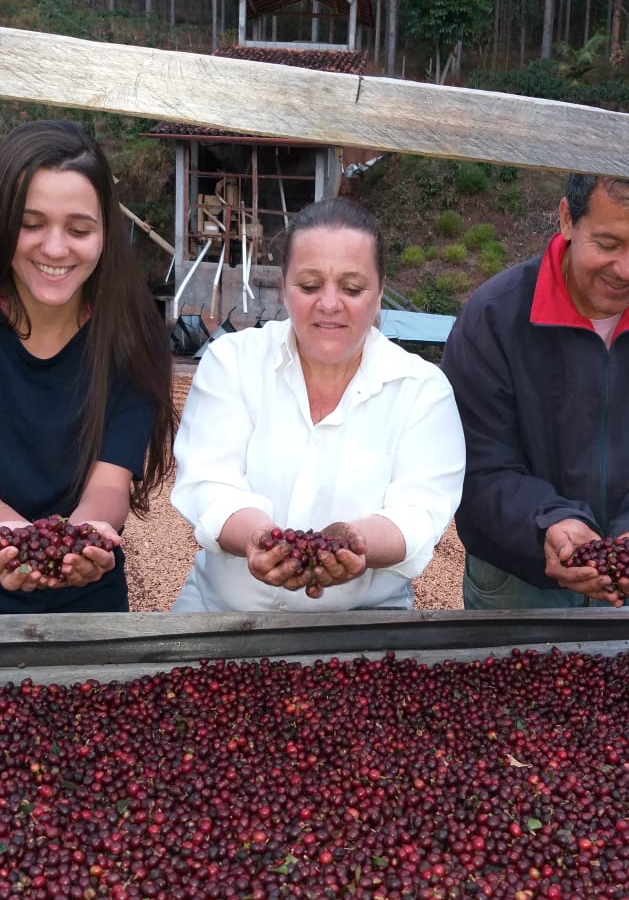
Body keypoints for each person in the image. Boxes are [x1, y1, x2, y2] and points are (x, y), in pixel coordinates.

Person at [440, 173, 629, 610]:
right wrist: (549, 523)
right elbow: (477, 464)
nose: (626, 269)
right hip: (516, 574)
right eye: (608, 243)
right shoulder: (495, 315)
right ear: (567, 218)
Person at [171, 196, 465, 612]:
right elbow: (208, 481)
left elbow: (420, 511)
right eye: (309, 286)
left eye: (352, 288)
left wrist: (356, 543)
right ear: (283, 287)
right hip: (220, 610)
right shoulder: (232, 362)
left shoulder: (422, 389)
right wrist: (258, 538)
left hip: (363, 621)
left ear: (380, 291)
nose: (329, 303)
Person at [0, 119, 176, 615]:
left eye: (78, 230)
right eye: (30, 224)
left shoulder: (135, 338)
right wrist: (9, 539)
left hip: (91, 603)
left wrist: (86, 537)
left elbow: (110, 483)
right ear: (0, 223)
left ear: (105, 234)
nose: (55, 248)